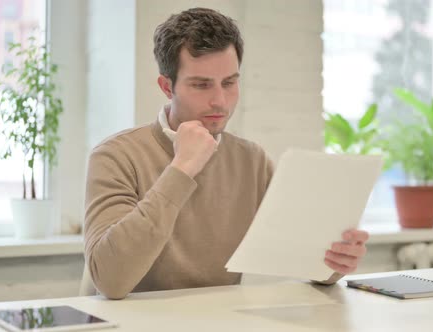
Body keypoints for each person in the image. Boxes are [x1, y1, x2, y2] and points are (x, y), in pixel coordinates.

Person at [84, 7, 370, 300]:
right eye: (201, 85)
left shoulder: (251, 161)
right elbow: (111, 281)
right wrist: (181, 168)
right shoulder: (115, 156)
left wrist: (336, 261)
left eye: (229, 83)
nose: (220, 101)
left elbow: (307, 257)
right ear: (167, 86)